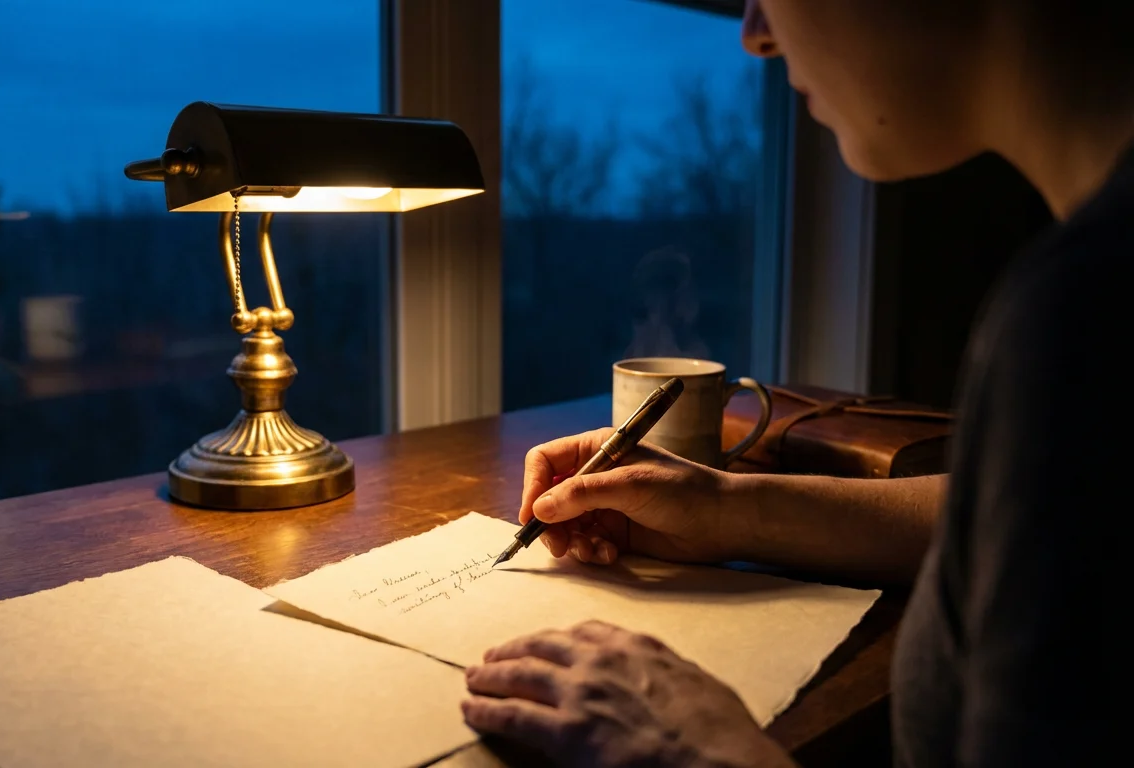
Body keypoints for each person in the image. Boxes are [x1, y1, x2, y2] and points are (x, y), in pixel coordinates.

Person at [461, 1, 1120, 765]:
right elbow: (997, 520)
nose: (754, 33)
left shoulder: (1091, 309)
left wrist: (709, 751)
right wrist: (730, 510)